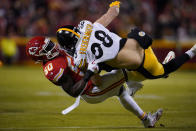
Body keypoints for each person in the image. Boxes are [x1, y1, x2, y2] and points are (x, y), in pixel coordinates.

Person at [56, 1, 196, 95]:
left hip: (141, 62)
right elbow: (113, 12)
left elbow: (98, 82)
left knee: (163, 71)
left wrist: (89, 75)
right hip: (139, 39)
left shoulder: (80, 57)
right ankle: (135, 81)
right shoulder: (88, 26)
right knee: (107, 59)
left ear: (69, 44)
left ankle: (192, 51)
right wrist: (115, 3)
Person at [26, 36, 163, 128]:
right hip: (92, 91)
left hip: (93, 80)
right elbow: (73, 92)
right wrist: (89, 74)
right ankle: (160, 70)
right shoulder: (53, 68)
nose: (53, 46)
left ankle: (147, 120)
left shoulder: (58, 54)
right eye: (47, 48)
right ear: (41, 56)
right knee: (125, 72)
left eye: (49, 43)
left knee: (120, 91)